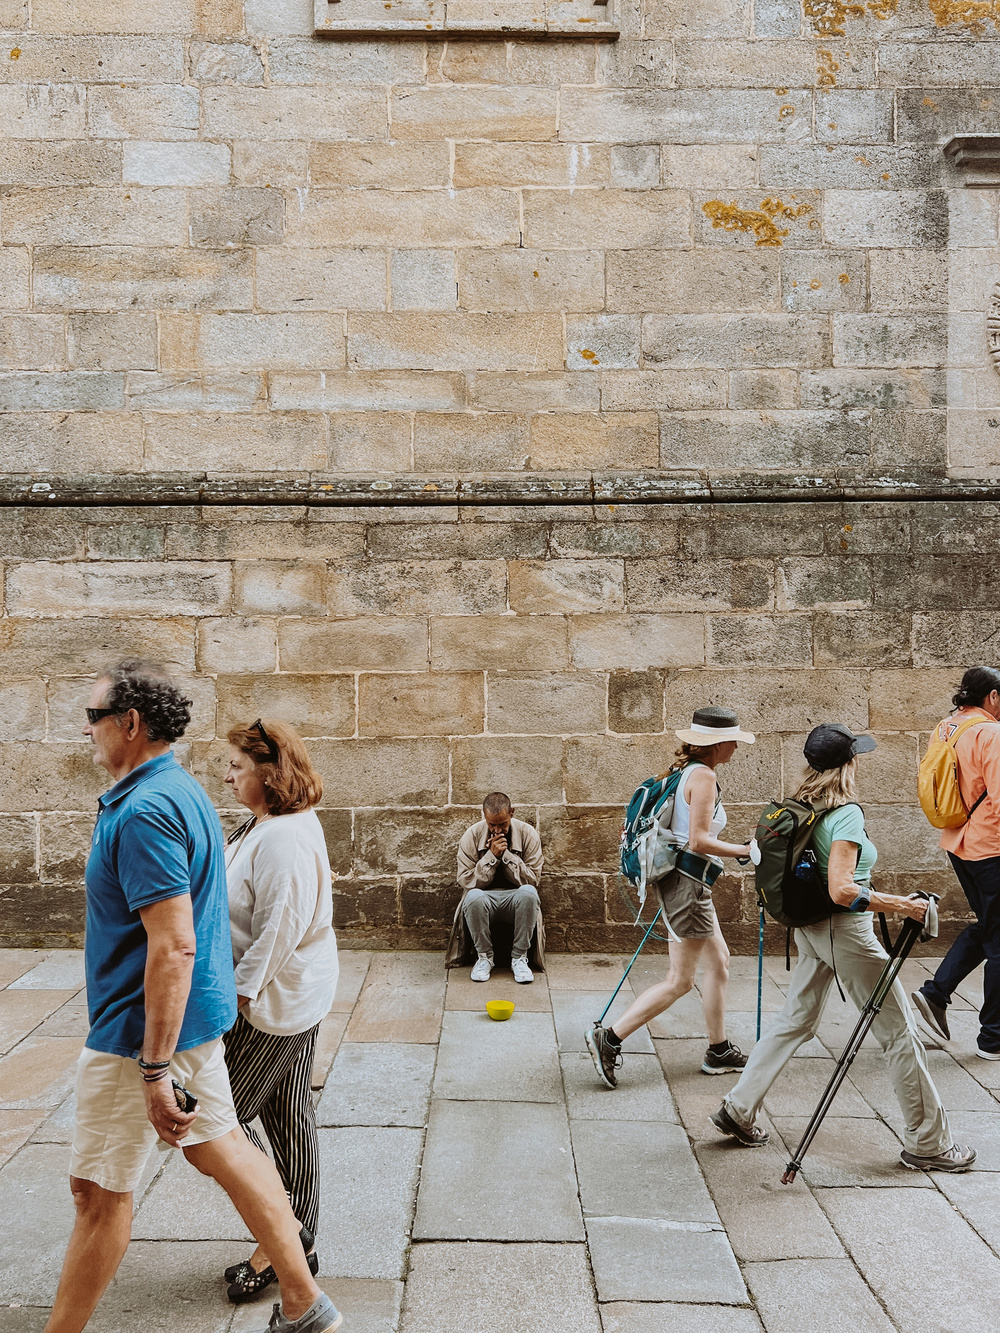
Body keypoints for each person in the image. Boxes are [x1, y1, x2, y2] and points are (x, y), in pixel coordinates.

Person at [47, 659, 341, 1333]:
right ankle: (303, 1300)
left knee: (96, 1195)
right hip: (195, 1019)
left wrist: (153, 1067)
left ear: (131, 723)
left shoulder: (148, 808)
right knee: (225, 1147)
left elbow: (175, 943)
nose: (86, 730)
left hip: (140, 1032)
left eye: (94, 717)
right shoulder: (174, 790)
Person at [712, 722, 976, 1173]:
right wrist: (901, 905)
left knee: (795, 1020)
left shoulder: (802, 804)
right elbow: (840, 889)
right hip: (844, 932)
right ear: (848, 765)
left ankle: (737, 1109)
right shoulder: (846, 814)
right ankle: (928, 1144)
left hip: (811, 931)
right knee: (900, 1033)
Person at [221, 718, 339, 1303]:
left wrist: (235, 998)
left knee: (222, 1117)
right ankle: (300, 1237)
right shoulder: (265, 822)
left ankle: (282, 1239)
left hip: (273, 1000)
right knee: (288, 1114)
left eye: (237, 767)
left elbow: (279, 929)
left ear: (270, 772)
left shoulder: (285, 835)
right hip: (289, 996)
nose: (227, 775)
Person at [586, 705, 756, 1088]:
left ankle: (719, 1049)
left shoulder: (682, 773)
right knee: (680, 980)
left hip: (684, 883)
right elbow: (698, 840)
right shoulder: (705, 776)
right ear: (717, 743)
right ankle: (609, 1038)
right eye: (733, 740)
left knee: (721, 962)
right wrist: (745, 850)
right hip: (688, 887)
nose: (736, 747)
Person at [912, 667, 1000, 1059]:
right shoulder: (990, 733)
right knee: (998, 938)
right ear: (993, 697)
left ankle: (935, 993)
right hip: (991, 847)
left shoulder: (948, 726)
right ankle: (993, 1038)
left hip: (959, 842)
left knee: (990, 925)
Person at [445, 791, 544, 984]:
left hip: (516, 899)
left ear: (512, 813)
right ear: (484, 815)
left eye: (502, 824)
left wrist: (506, 855)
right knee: (472, 896)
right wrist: (491, 858)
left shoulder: (528, 834)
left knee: (529, 893)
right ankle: (484, 957)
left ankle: (519, 958)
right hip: (484, 901)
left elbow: (532, 880)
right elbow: (466, 881)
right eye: (492, 825)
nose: (497, 831)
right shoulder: (472, 835)